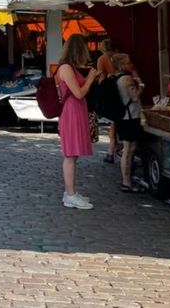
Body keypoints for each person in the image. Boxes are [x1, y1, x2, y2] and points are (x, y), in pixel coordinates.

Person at [57, 34, 100, 210]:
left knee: (73, 154)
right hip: (71, 112)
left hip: (76, 111)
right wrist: (90, 79)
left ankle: (71, 192)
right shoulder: (66, 68)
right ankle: (70, 194)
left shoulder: (70, 67)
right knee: (70, 154)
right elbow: (79, 93)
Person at [110, 53, 146, 193]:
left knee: (129, 148)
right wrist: (141, 84)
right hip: (129, 117)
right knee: (129, 149)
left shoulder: (116, 78)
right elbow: (135, 97)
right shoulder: (126, 79)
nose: (130, 64)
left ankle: (127, 180)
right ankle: (127, 182)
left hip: (123, 117)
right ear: (122, 64)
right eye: (128, 62)